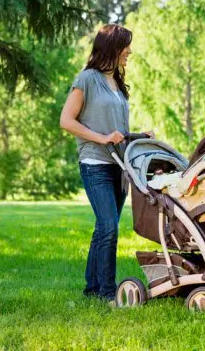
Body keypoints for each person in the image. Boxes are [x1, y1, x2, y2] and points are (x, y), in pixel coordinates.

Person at [60, 24, 153, 302]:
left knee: (104, 227)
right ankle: (106, 291)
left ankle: (91, 287)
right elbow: (67, 121)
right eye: (126, 46)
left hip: (119, 164)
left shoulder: (117, 83)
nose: (130, 52)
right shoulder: (87, 78)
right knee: (109, 226)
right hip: (95, 162)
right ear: (112, 47)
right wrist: (101, 138)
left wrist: (139, 135)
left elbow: (116, 129)